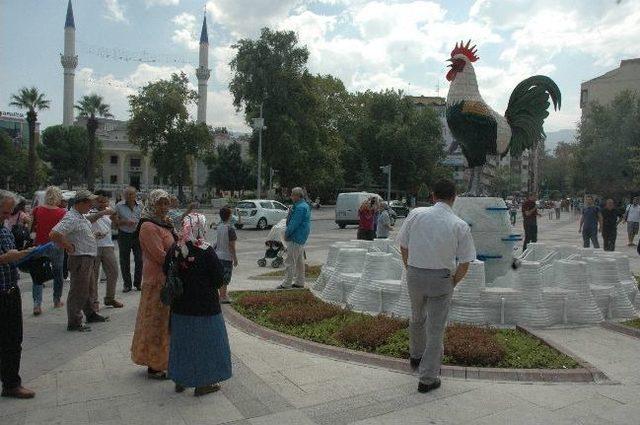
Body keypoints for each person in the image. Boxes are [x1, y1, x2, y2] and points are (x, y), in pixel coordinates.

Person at [397, 179, 476, 393]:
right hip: (441, 279)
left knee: (416, 316)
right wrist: (453, 281)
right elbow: (466, 261)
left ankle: (415, 356)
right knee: (435, 329)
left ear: (432, 196)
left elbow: (403, 244)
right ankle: (427, 378)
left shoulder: (416, 214)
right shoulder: (459, 224)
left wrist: (409, 267)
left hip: (414, 274)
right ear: (454, 197)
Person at [167, 213, 232, 396]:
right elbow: (219, 279)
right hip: (205, 309)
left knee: (181, 344)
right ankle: (203, 384)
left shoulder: (175, 247)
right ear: (200, 227)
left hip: (180, 307)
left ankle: (180, 380)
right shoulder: (205, 249)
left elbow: (166, 271)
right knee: (207, 346)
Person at [50, 190, 111, 332]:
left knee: (88, 288)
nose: (91, 206)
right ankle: (74, 321)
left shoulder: (80, 216)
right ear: (81, 203)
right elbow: (54, 234)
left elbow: (80, 233)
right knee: (78, 290)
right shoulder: (71, 217)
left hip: (87, 257)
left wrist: (93, 236)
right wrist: (67, 246)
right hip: (80, 258)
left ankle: (90, 314)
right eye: (89, 203)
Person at [131, 189, 177, 379]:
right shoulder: (148, 226)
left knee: (165, 323)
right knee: (155, 323)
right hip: (156, 281)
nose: (164, 207)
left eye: (166, 203)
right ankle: (154, 365)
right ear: (151, 204)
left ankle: (164, 360)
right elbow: (159, 255)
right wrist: (180, 260)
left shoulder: (165, 224)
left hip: (167, 280)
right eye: (160, 203)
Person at [0, 190, 35, 399]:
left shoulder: (5, 229)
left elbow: (12, 256)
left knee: (13, 339)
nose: (8, 215)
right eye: (4, 211)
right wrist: (4, 258)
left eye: (9, 211)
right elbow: (5, 257)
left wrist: (24, 254)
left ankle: (11, 383)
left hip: (10, 290)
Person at [30, 186, 67, 315]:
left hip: (39, 245)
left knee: (37, 275)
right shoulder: (63, 212)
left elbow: (32, 228)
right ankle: (57, 300)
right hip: (57, 245)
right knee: (58, 274)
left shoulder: (37, 210)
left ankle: (37, 305)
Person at [91, 191, 123, 310]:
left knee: (113, 272)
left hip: (107, 244)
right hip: (94, 246)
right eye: (100, 201)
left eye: (105, 201)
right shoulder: (90, 211)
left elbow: (115, 226)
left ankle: (110, 297)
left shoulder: (109, 210)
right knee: (94, 275)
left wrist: (115, 219)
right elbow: (90, 219)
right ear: (95, 201)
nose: (103, 203)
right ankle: (94, 301)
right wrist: (103, 212)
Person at [276, 187, 311, 290]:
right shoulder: (303, 205)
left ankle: (286, 283)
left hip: (295, 236)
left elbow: (294, 223)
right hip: (301, 236)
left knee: (290, 261)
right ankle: (300, 281)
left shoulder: (300, 208)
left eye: (292, 194)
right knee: (300, 261)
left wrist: (287, 234)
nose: (290, 196)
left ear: (297, 196)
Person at [115, 187, 143, 292]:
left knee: (139, 259)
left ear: (135, 195)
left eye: (131, 194)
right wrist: (125, 222)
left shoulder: (140, 206)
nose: (129, 196)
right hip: (124, 234)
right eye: (127, 194)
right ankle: (127, 284)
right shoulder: (118, 206)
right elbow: (114, 221)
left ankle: (138, 283)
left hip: (137, 234)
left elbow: (144, 218)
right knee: (124, 260)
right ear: (124, 195)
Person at [214, 207, 237, 304]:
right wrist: (235, 258)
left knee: (221, 276)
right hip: (227, 256)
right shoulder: (230, 229)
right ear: (229, 216)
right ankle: (223, 297)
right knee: (226, 278)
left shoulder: (219, 227)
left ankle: (222, 295)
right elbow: (231, 245)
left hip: (218, 255)